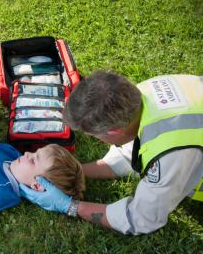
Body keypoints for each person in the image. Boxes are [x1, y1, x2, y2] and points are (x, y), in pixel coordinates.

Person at [20, 71, 203, 235]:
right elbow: (130, 154)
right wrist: (68, 171)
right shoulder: (147, 93)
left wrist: (70, 206)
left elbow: (140, 218)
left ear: (114, 132)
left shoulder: (169, 156)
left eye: (93, 135)